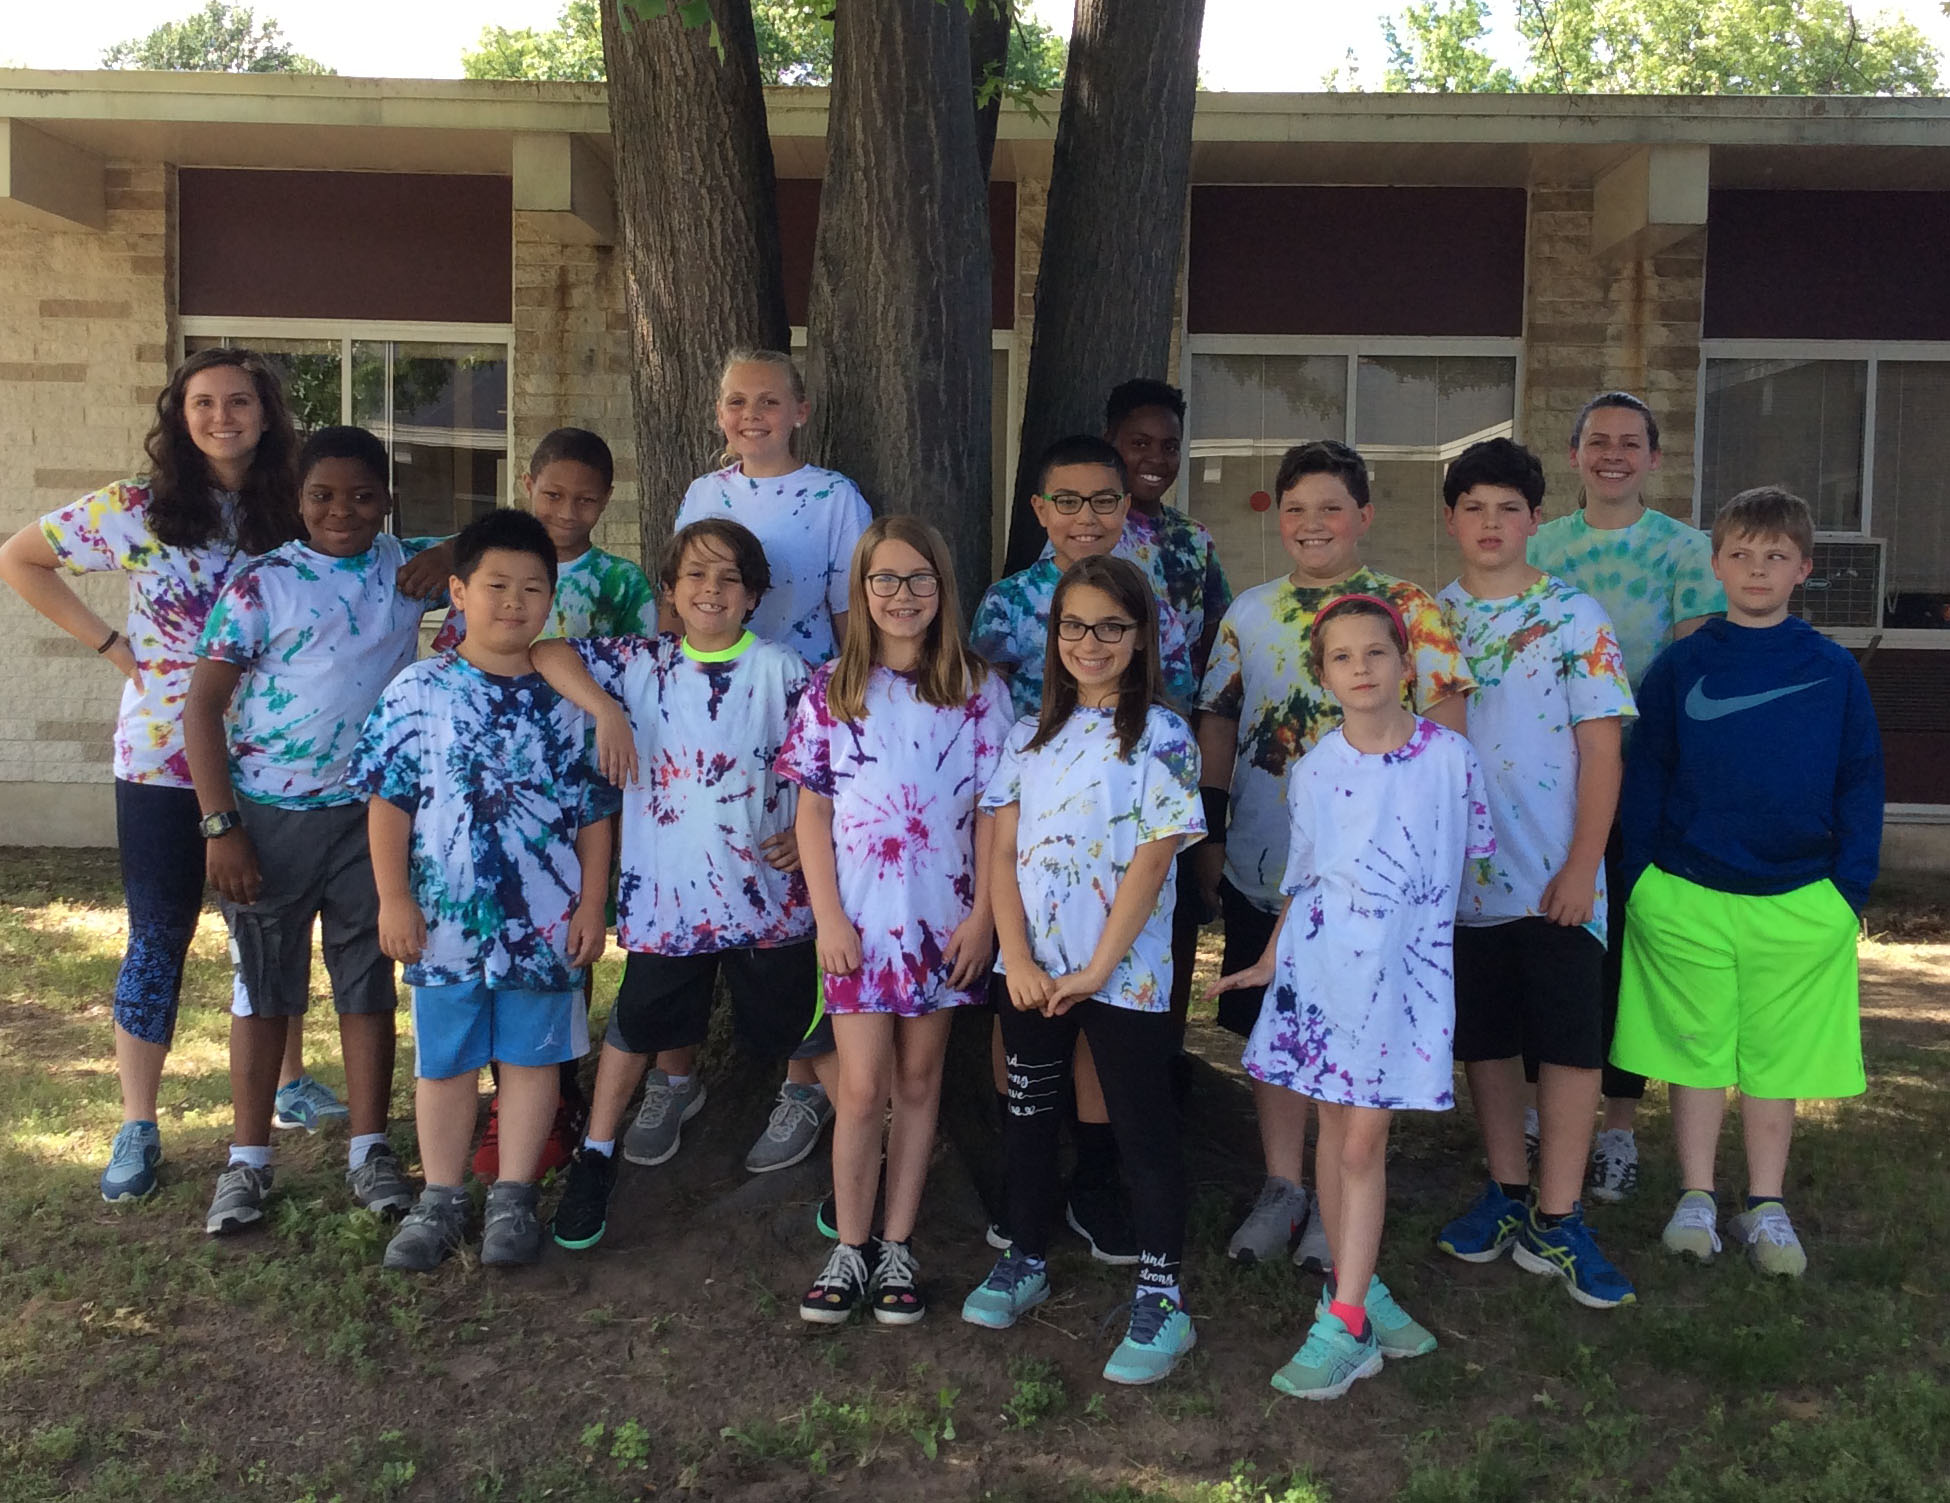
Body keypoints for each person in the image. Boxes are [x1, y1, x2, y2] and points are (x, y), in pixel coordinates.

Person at [0, 348, 303, 1202]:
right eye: (202, 402)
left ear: (267, 413)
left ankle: (285, 1087)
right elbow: (20, 556)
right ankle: (138, 1122)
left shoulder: (295, 509)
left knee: (270, 930)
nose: (221, 417)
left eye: (239, 401)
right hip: (162, 758)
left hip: (275, 755)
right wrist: (111, 645)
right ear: (179, 414)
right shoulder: (136, 509)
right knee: (158, 933)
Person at [1194, 440, 1473, 1272]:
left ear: (1364, 516)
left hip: (1382, 888)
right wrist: (1210, 835)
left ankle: (1342, 1193)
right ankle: (1284, 1184)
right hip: (1271, 863)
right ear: (1278, 519)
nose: (1312, 524)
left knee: (1358, 1036)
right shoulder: (1247, 611)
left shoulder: (1409, 607)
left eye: (1330, 507)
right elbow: (1217, 719)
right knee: (1282, 1024)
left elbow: (1447, 730)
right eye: (1295, 509)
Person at [1211, 594, 1494, 1401]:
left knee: (1363, 1145)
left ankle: (1346, 1325)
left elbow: (1460, 863)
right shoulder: (1314, 767)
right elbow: (1305, 881)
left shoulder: (1450, 759)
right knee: (1337, 1137)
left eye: (1377, 653)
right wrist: (1270, 959)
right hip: (1320, 976)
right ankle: (1356, 1292)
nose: (1361, 669)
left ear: (1407, 665)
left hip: (1402, 983)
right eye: (1342, 657)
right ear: (1323, 673)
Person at [1613, 486, 1881, 1278]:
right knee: (1695, 1055)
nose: (1756, 567)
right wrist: (1641, 882)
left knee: (1776, 1061)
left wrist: (1848, 892)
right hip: (1687, 891)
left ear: (1802, 567)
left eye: (1774, 555)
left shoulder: (1831, 670)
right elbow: (1647, 775)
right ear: (1716, 563)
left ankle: (1766, 1203)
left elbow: (1861, 780)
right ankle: (1696, 1193)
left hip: (1800, 896)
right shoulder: (1682, 665)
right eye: (1741, 553)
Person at [536, 519, 821, 1252]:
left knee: (803, 1026)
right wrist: (604, 709)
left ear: (755, 594)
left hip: (769, 896)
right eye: (694, 575)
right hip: (670, 900)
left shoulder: (785, 671)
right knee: (637, 1023)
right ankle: (597, 1154)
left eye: (729, 577)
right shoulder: (640, 664)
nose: (711, 590)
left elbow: (833, 763)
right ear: (670, 590)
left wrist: (813, 832)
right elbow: (546, 650)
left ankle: (809, 1105)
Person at [184, 425, 440, 1234]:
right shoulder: (265, 585)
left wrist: (460, 542)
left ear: (388, 501)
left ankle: (370, 1147)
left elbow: (517, 538)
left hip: (373, 818)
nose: (343, 511)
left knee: (366, 982)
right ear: (297, 500)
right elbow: (200, 705)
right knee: (264, 985)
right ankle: (248, 1160)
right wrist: (222, 824)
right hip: (270, 815)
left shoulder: (410, 569)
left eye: (363, 495)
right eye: (323, 495)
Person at [350, 509, 617, 1272]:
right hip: (444, 922)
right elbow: (390, 801)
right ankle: (440, 1196)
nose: (514, 601)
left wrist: (593, 904)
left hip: (546, 918)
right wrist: (393, 897)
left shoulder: (568, 700)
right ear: (458, 592)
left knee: (533, 1061)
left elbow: (596, 812)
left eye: (533, 588)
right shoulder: (418, 691)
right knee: (446, 1061)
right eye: (496, 585)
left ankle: (513, 1197)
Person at [961, 556, 1206, 1388]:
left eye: (1111, 626)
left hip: (1123, 976)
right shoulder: (1029, 737)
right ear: (1054, 633)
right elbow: (1000, 851)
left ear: (1141, 638)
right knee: (1029, 1115)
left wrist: (1100, 966)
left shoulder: (1163, 737)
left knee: (1142, 1127)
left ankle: (1162, 1293)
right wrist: (1018, 956)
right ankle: (1025, 1253)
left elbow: (1152, 858)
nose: (1090, 641)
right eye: (1074, 625)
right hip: (1031, 975)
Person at [780, 518, 1014, 1325]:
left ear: (942, 589)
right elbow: (812, 814)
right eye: (885, 580)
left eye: (920, 579)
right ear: (861, 590)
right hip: (860, 928)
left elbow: (994, 815)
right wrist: (828, 919)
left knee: (920, 1084)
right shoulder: (831, 690)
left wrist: (983, 917)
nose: (903, 595)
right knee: (861, 1085)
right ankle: (849, 1243)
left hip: (944, 923)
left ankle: (899, 1243)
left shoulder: (979, 689)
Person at [972, 434, 1198, 1264]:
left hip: (1120, 854)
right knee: (1026, 1052)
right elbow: (980, 702)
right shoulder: (1005, 613)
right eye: (1066, 500)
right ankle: (1024, 1205)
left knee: (1115, 1064)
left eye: (1103, 499)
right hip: (1036, 834)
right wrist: (1014, 946)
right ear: (1041, 511)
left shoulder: (1161, 703)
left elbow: (1155, 847)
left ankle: (1102, 1189)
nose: (1085, 515)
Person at [1430, 438, 1637, 1309]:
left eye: (1507, 508)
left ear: (1534, 521)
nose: (1489, 523)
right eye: (1473, 507)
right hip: (1464, 880)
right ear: (1451, 520)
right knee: (1486, 1040)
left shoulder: (1575, 616)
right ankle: (1507, 1192)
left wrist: (1583, 865)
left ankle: (1561, 1213)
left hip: (1557, 877)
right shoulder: (1425, 620)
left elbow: (1602, 750)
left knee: (1568, 1044)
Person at [436, 428, 656, 1183]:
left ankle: (556, 1090)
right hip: (485, 802)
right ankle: (506, 1105)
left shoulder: (620, 584)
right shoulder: (494, 565)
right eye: (554, 493)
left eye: (587, 498)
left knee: (568, 945)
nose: (568, 509)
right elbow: (493, 655)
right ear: (528, 483)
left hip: (584, 779)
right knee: (486, 965)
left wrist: (605, 714)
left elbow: (630, 669)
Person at [674, 349, 873, 1180]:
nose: (749, 415)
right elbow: (686, 594)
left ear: (800, 409)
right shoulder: (704, 493)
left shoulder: (834, 497)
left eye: (768, 401)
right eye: (734, 401)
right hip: (718, 715)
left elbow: (850, 613)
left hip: (803, 706)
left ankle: (802, 1082)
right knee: (719, 870)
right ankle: (674, 1073)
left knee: (797, 883)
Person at [1528, 391, 1725, 1201]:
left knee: (1627, 962)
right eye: (1597, 441)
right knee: (1553, 950)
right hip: (1545, 790)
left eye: (1630, 442)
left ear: (1654, 458)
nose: (1613, 454)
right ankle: (1548, 1104)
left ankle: (1616, 1126)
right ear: (1574, 455)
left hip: (1644, 787)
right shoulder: (1540, 545)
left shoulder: (1686, 550)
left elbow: (1691, 679)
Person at [1104, 378, 1233, 1036]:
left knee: (1174, 909)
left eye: (1170, 445)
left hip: (1171, 760)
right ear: (1112, 446)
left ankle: (1165, 1049)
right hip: (1095, 762)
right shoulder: (1087, 529)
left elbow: (1216, 649)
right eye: (1139, 443)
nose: (1155, 457)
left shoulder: (1194, 543)